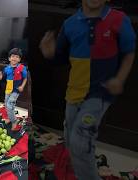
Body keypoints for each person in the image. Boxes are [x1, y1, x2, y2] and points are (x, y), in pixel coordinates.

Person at [39, 0, 136, 179]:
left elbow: (129, 52)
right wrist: (50, 53)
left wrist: (119, 79)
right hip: (74, 91)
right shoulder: (70, 24)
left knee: (80, 139)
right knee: (70, 136)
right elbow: (60, 58)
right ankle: (79, 169)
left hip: (100, 92)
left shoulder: (118, 19)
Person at [0, 48, 28, 131]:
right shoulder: (6, 68)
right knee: (7, 104)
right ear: (9, 58)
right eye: (13, 56)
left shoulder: (22, 68)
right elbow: (3, 78)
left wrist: (22, 86)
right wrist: (0, 77)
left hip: (16, 90)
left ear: (19, 59)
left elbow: (25, 78)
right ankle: (10, 118)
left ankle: (14, 121)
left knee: (9, 105)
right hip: (8, 89)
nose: (14, 58)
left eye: (17, 57)